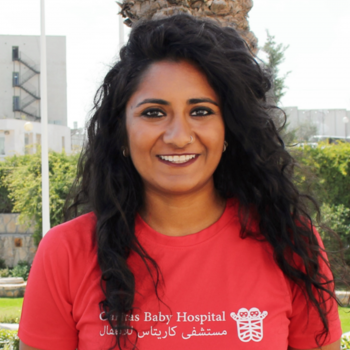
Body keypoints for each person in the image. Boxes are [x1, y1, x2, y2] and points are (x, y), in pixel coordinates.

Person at [19, 14, 342, 350]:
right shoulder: (66, 253)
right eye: (154, 113)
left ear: (228, 129)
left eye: (200, 111)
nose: (178, 137)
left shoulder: (289, 242)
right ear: (122, 133)